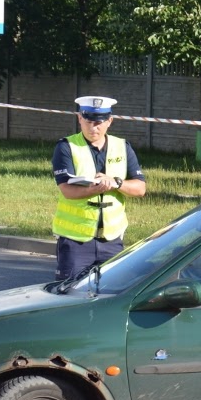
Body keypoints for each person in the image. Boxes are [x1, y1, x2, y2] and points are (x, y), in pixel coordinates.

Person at [51, 96, 147, 280]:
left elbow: (140, 188)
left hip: (111, 241)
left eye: (98, 122)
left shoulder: (122, 147)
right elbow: (67, 190)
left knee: (111, 298)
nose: (93, 127)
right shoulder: (66, 147)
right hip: (75, 241)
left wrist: (116, 182)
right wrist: (96, 189)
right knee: (70, 298)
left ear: (109, 121)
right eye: (87, 120)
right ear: (80, 118)